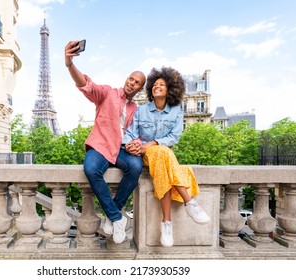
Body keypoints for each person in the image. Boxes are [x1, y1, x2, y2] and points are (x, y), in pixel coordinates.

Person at [64, 40, 146, 244]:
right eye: (130, 78)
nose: (131, 83)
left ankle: (112, 213)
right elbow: (85, 84)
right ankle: (118, 217)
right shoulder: (108, 93)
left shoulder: (136, 110)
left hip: (120, 149)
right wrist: (69, 64)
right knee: (91, 168)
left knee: (135, 167)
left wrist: (137, 145)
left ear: (140, 89)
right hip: (101, 146)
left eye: (136, 83)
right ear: (126, 79)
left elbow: (136, 134)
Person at [122, 66, 210, 247]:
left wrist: (152, 143)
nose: (156, 86)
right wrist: (130, 145)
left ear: (170, 89)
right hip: (145, 155)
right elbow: (131, 133)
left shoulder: (177, 111)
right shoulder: (141, 110)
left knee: (163, 154)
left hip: (161, 153)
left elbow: (173, 137)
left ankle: (167, 223)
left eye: (161, 84)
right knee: (163, 153)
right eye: (154, 84)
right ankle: (189, 202)